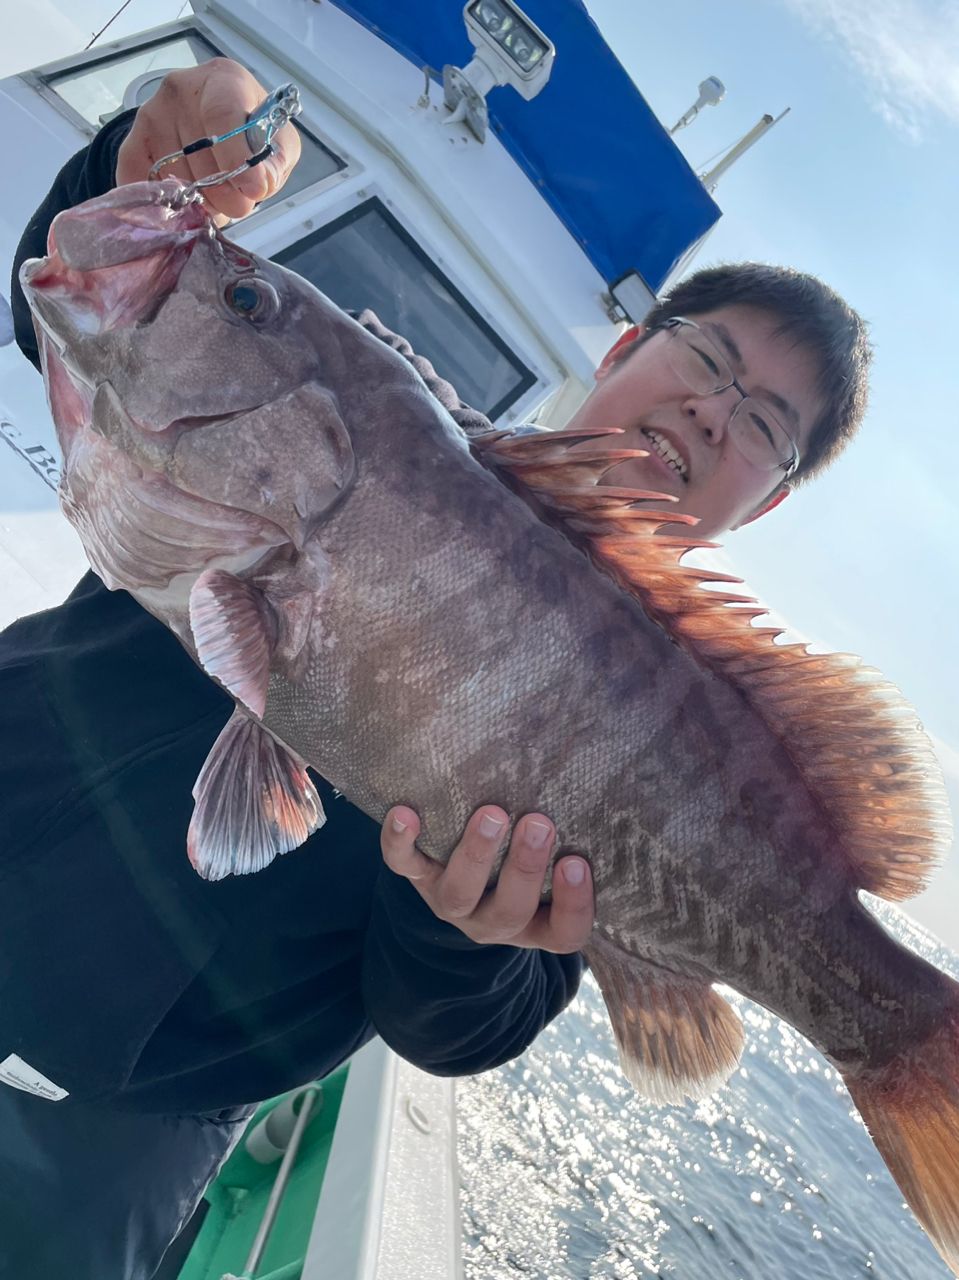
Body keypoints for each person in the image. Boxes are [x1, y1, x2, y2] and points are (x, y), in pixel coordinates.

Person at [0, 58, 870, 1280]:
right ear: (628, 345)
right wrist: (136, 169)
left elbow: (452, 1024)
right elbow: (82, 304)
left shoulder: (684, 724)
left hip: (106, 1142)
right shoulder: (367, 391)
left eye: (764, 424)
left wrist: (463, 927)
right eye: (708, 359)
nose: (716, 413)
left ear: (764, 501)